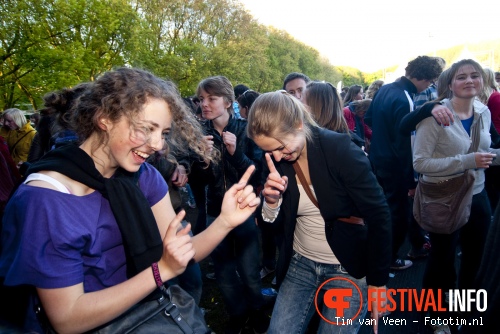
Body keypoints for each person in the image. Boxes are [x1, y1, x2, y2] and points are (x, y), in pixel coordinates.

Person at [0, 68, 261, 333]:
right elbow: (66, 318)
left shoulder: (144, 176)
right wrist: (161, 271)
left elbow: (185, 252)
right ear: (105, 119)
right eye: (146, 129)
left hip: (141, 315)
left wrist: (226, 221)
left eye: (163, 132)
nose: (158, 145)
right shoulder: (47, 199)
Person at [247, 91, 391, 334]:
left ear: (299, 124)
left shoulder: (339, 149)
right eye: (270, 151)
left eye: (281, 147)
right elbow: (272, 228)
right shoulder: (274, 158)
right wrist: (270, 203)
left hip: (348, 266)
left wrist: (378, 281)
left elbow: (380, 216)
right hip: (300, 262)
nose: (278, 156)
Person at [411, 59, 500, 334]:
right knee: (442, 260)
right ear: (449, 84)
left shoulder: (483, 112)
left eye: (475, 75)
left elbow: (487, 153)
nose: (470, 81)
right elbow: (420, 163)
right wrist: (467, 160)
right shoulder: (435, 116)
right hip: (444, 197)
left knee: (475, 257)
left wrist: (487, 158)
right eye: (462, 77)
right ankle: (436, 316)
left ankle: (465, 311)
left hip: (478, 194)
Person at [194, 75, 268, 334]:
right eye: (201, 99)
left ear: (228, 102)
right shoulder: (200, 135)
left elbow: (257, 173)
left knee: (249, 271)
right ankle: (238, 314)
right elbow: (198, 181)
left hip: (245, 211)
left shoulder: (247, 129)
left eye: (211, 98)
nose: (204, 104)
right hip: (216, 212)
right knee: (224, 275)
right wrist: (201, 158)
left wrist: (236, 153)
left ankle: (258, 311)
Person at [365, 55, 444, 271]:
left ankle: (380, 253)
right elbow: (404, 144)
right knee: (397, 214)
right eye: (430, 82)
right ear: (424, 78)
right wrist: (411, 180)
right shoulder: (405, 99)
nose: (428, 87)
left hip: (377, 159)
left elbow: (369, 119)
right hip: (394, 165)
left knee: (383, 209)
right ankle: (389, 258)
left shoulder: (385, 89)